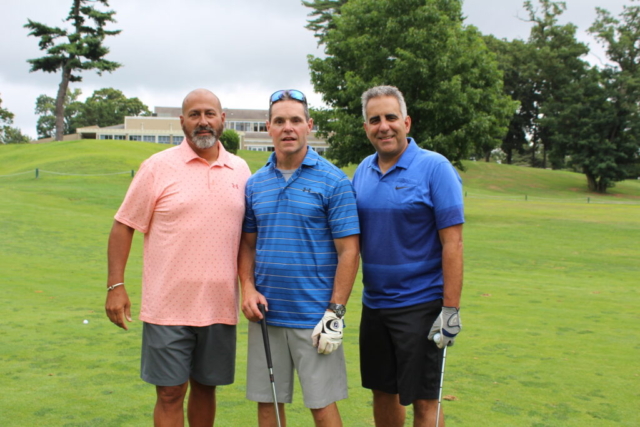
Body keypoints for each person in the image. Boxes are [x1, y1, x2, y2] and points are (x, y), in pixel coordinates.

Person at [104, 88, 251, 427]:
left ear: (222, 119)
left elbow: (249, 239)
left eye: (209, 114)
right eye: (195, 114)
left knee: (206, 389)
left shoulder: (241, 170)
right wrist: (115, 285)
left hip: (219, 306)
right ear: (182, 121)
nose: (203, 121)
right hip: (167, 307)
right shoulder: (158, 167)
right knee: (170, 393)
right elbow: (124, 225)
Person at [239, 89, 360, 427]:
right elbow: (247, 245)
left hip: (314, 317)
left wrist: (335, 313)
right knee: (268, 403)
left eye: (295, 120)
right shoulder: (255, 184)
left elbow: (349, 251)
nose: (288, 127)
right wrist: (247, 288)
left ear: (309, 125)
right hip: (266, 315)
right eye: (279, 121)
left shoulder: (334, 181)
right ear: (268, 128)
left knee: (322, 406)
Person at [352, 85, 464, 427]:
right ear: (366, 128)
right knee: (382, 392)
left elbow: (453, 244)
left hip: (421, 305)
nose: (383, 126)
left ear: (406, 122)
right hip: (374, 305)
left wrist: (450, 310)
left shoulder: (435, 167)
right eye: (375, 120)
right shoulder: (363, 171)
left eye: (390, 117)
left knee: (424, 399)